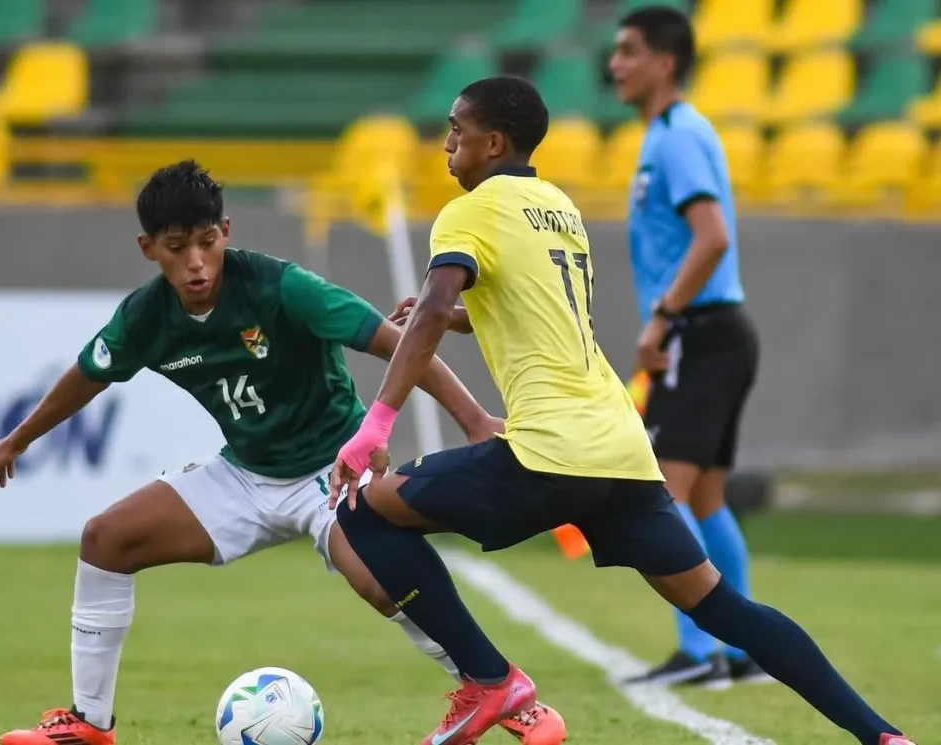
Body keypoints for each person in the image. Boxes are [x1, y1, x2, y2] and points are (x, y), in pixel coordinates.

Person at [329, 76, 914, 745]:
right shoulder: (557, 206)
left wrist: (376, 424)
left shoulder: (470, 210)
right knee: (724, 607)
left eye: (457, 130)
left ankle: (490, 680)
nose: (448, 145)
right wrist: (465, 319)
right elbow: (530, 304)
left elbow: (431, 309)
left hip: (548, 450)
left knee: (361, 512)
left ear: (493, 142)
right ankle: (884, 736)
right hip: (621, 450)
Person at [0, 160, 563, 745]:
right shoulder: (145, 317)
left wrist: (474, 418)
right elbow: (87, 374)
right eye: (178, 248)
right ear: (149, 248)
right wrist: (15, 441)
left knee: (384, 583)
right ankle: (88, 723)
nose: (197, 262)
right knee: (105, 538)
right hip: (246, 474)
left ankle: (517, 705)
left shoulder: (282, 287)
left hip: (331, 468)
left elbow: (399, 342)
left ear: (225, 232)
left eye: (207, 242)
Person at [608, 5, 765, 686]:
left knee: (661, 495)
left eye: (629, 51)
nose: (615, 64)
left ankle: (703, 652)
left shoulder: (676, 137)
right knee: (704, 499)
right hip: (714, 333)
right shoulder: (664, 135)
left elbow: (713, 235)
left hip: (699, 335)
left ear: (665, 62)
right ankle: (744, 647)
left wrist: (661, 319)